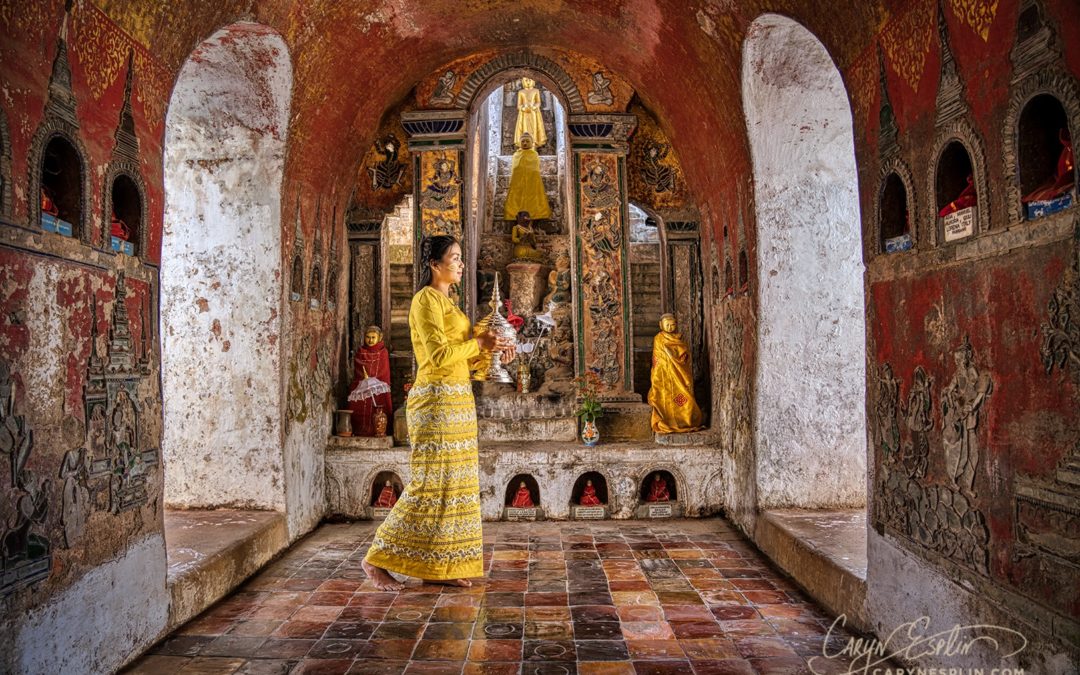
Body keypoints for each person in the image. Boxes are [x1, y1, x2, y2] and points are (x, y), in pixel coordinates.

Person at [363, 235, 514, 590]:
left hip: (458, 400)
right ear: (434, 263)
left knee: (455, 487)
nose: (461, 264)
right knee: (430, 484)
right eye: (455, 258)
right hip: (434, 401)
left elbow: (464, 360)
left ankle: (437, 566)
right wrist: (478, 343)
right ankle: (374, 560)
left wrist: (491, 354)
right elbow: (436, 357)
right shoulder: (424, 301)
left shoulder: (452, 304)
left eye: (461, 258)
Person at [648, 313, 705, 434]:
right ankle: (667, 421)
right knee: (662, 397)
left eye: (672, 324)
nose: (670, 327)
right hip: (663, 375)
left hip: (679, 374)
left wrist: (680, 357)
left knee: (684, 397)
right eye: (667, 325)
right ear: (660, 325)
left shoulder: (679, 340)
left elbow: (684, 355)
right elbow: (657, 359)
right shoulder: (658, 339)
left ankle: (684, 420)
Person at [347, 326, 393, 436]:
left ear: (379, 338)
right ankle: (360, 430)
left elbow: (383, 371)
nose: (370, 340)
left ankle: (379, 431)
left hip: (378, 387)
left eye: (373, 337)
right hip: (362, 384)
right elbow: (358, 368)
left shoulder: (383, 352)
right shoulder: (360, 352)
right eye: (368, 337)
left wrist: (374, 380)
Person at [505, 134, 551, 223]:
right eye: (523, 141)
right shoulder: (516, 155)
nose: (525, 143)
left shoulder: (534, 154)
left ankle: (535, 214)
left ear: (531, 143)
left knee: (534, 199)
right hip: (518, 182)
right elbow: (515, 169)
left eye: (527, 141)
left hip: (532, 181)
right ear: (519, 143)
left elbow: (535, 168)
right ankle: (515, 214)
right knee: (516, 199)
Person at [514, 77, 546, 148]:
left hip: (533, 112)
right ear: (523, 81)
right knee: (525, 127)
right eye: (526, 80)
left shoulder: (536, 91)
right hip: (524, 113)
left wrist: (535, 107)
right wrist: (523, 108)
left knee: (534, 127)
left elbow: (538, 102)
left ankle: (533, 143)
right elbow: (519, 105)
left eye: (529, 80)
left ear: (533, 81)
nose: (528, 82)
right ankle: (524, 144)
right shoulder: (521, 92)